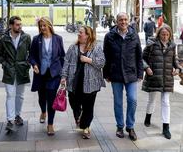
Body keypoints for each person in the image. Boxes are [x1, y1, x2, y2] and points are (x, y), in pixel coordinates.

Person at [103, 12, 143, 141]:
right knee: (118, 102)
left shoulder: (134, 35)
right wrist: (106, 73)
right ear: (116, 21)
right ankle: (120, 126)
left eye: (125, 19)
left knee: (132, 100)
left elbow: (139, 56)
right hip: (115, 73)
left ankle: (130, 126)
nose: (123, 22)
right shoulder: (109, 36)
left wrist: (140, 73)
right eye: (121, 20)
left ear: (128, 20)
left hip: (131, 73)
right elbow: (106, 56)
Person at [61, 26, 105, 139]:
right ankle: (78, 115)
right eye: (79, 33)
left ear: (88, 35)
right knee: (73, 103)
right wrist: (63, 77)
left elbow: (101, 63)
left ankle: (85, 127)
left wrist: (88, 60)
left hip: (91, 83)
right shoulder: (73, 48)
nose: (78, 34)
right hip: (74, 82)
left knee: (88, 107)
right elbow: (66, 63)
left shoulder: (96, 48)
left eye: (81, 33)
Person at [142, 25, 181, 139]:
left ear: (170, 35)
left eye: (167, 35)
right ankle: (148, 117)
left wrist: (178, 69)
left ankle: (166, 127)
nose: (165, 37)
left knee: (166, 102)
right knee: (152, 100)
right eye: (163, 34)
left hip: (167, 78)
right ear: (158, 34)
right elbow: (142, 58)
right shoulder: (151, 45)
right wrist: (147, 68)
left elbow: (175, 60)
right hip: (154, 77)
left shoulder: (172, 46)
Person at [29, 17, 65, 136]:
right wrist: (34, 65)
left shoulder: (58, 39)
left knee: (51, 99)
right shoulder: (36, 39)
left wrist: (64, 74)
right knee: (41, 98)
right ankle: (43, 112)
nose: (42, 28)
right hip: (40, 73)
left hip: (54, 74)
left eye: (44, 25)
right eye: (40, 26)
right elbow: (32, 56)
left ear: (49, 25)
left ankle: (50, 124)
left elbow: (62, 56)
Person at [0, 16, 31, 131]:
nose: (19, 26)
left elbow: (31, 53)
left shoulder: (26, 37)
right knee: (10, 95)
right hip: (9, 70)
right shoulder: (4, 39)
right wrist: (5, 64)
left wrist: (27, 64)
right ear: (11, 26)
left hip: (22, 70)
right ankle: (10, 120)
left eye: (20, 24)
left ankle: (17, 115)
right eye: (17, 25)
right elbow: (0, 54)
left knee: (20, 95)